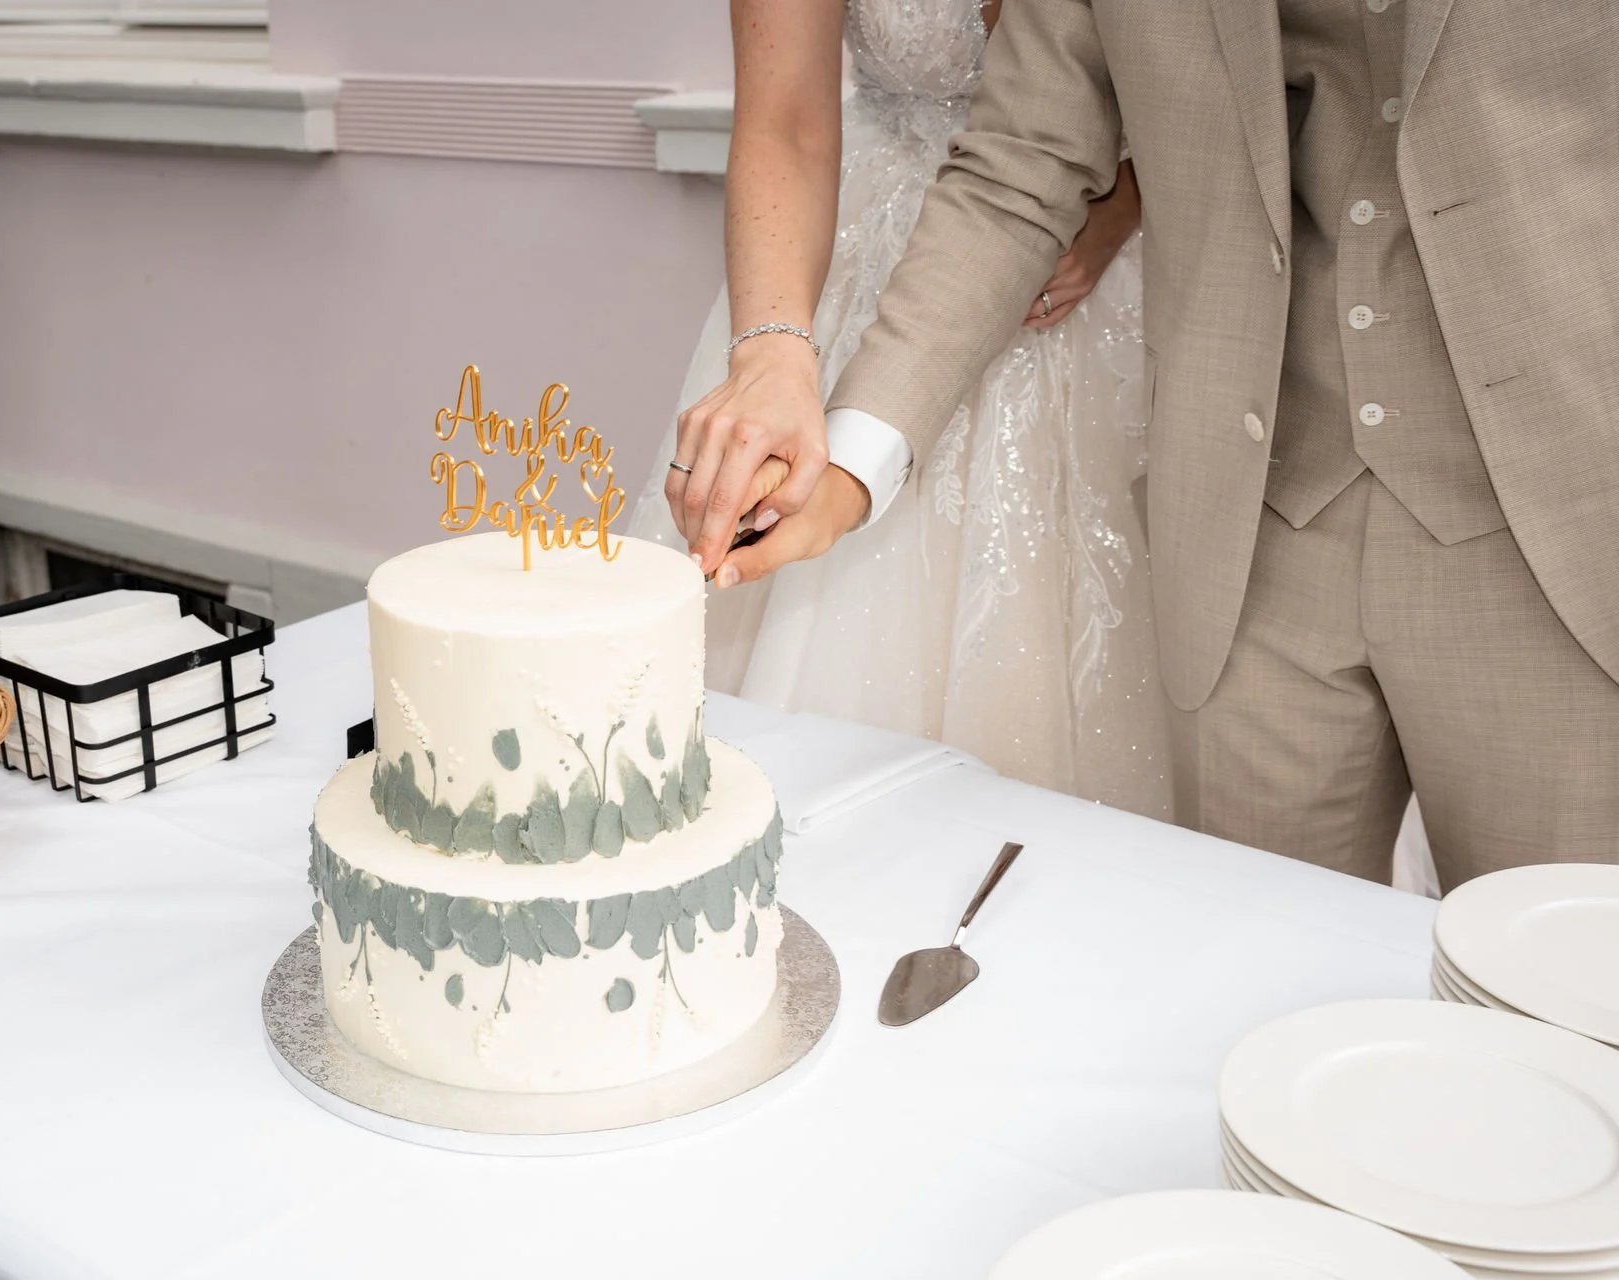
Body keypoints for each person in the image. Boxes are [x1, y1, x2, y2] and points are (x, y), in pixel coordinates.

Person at [677, 0, 1619, 888]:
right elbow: (1020, 161)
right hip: (1252, 517)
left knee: (1561, 1013)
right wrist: (850, 467)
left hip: (1557, 509)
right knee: (1258, 989)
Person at [628, 0, 1173, 819]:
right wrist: (773, 350)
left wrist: (1127, 200)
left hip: (1127, 271)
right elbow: (785, 122)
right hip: (881, 251)